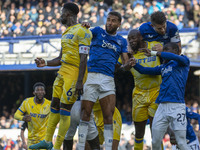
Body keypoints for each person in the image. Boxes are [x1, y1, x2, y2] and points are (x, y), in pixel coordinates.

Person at [29, 2, 92, 150]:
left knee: (65, 109)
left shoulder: (83, 31)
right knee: (54, 105)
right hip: (63, 71)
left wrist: (79, 81)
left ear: (69, 14)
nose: (60, 15)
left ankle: (57, 147)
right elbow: (60, 58)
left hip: (75, 73)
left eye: (62, 12)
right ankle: (47, 141)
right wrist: (45, 62)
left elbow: (84, 58)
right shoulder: (65, 33)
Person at [77, 11, 129, 150]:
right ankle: (80, 147)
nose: (110, 23)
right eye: (108, 20)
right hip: (92, 75)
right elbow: (84, 34)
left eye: (113, 21)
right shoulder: (98, 31)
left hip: (108, 79)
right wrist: (84, 26)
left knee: (108, 116)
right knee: (85, 114)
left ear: (119, 24)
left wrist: (128, 64)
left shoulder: (121, 41)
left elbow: (125, 64)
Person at [130, 42, 190, 150]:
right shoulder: (163, 67)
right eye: (164, 49)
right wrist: (135, 64)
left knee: (181, 143)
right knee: (155, 141)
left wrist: (155, 53)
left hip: (177, 106)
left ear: (176, 51)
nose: (164, 52)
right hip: (161, 107)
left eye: (167, 49)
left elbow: (171, 57)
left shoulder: (183, 61)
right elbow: (145, 71)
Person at [127, 29, 162, 150]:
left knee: (156, 130)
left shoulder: (154, 45)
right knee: (139, 132)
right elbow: (120, 68)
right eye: (129, 39)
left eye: (133, 38)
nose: (131, 41)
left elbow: (171, 52)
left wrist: (161, 51)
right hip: (139, 94)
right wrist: (126, 64)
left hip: (156, 92)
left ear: (141, 37)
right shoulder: (129, 53)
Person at [14, 82, 51, 149]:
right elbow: (16, 115)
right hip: (32, 141)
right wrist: (23, 118)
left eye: (42, 90)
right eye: (37, 90)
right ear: (34, 92)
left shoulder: (49, 104)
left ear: (44, 92)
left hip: (44, 140)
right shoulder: (27, 102)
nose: (40, 92)